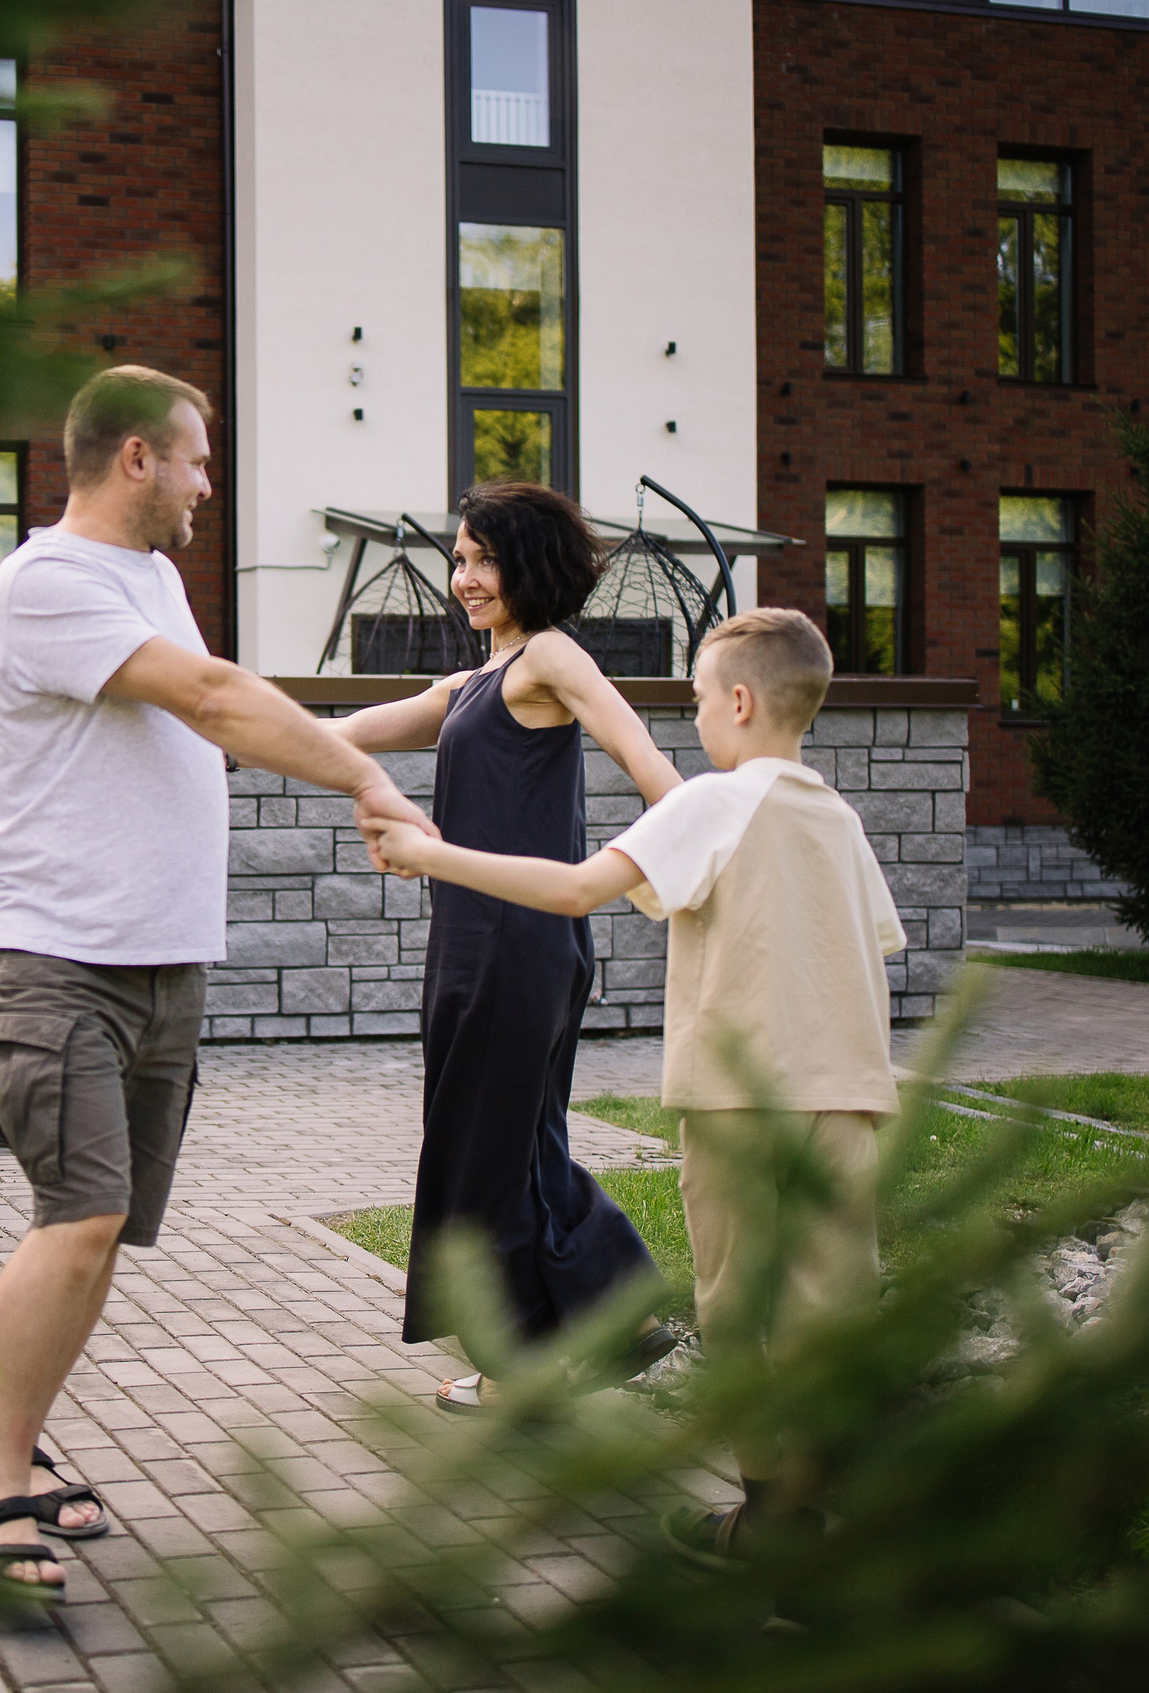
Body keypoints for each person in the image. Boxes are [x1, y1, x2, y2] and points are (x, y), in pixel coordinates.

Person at [0, 365, 436, 1592]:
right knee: (82, 1214)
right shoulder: (50, 579)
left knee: (99, 1230)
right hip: (62, 957)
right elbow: (215, 701)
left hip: (163, 960)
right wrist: (363, 780)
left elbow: (209, 713)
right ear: (135, 460)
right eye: (197, 462)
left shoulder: (155, 578)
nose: (206, 488)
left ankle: (16, 1441)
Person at [365, 607, 904, 1557]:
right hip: (851, 1097)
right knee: (835, 1314)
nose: (694, 720)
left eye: (697, 700)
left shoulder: (714, 800)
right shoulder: (838, 815)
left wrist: (429, 853)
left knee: (736, 1311)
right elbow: (872, 946)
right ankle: (836, 1526)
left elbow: (575, 889)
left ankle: (770, 1519)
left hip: (740, 1103)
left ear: (738, 702)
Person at [327, 481, 684, 1411]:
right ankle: (612, 1309)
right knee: (518, 1143)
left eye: (484, 559)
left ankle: (523, 1367)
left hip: (513, 941)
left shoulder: (552, 658)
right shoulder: (480, 678)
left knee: (485, 1152)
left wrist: (706, 845)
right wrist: (227, 738)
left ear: (527, 566)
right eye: (459, 559)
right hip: (482, 939)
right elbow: (348, 733)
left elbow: (649, 764)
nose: (465, 577)